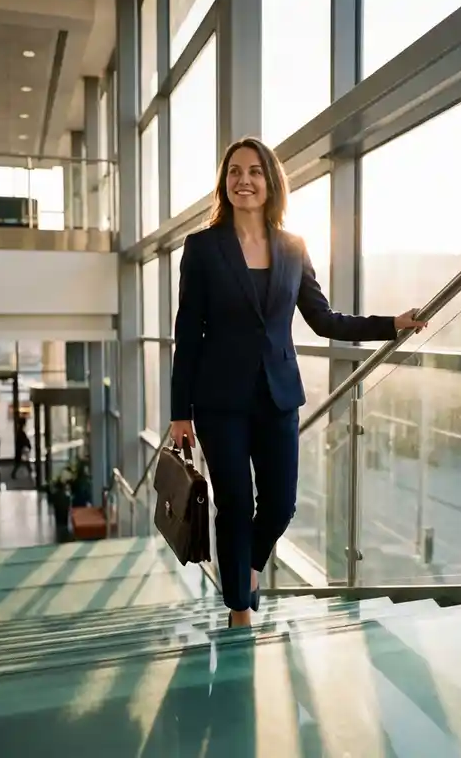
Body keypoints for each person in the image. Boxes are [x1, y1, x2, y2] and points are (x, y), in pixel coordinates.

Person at [170, 137, 427, 629]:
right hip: (219, 401)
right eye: (235, 172)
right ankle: (239, 610)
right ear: (225, 184)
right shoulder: (203, 248)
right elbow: (188, 333)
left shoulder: (292, 247)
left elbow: (325, 319)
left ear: (271, 183)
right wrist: (179, 412)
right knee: (236, 503)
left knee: (281, 504)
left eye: (255, 172)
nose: (244, 180)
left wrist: (390, 323)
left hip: (277, 398)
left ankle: (247, 569)